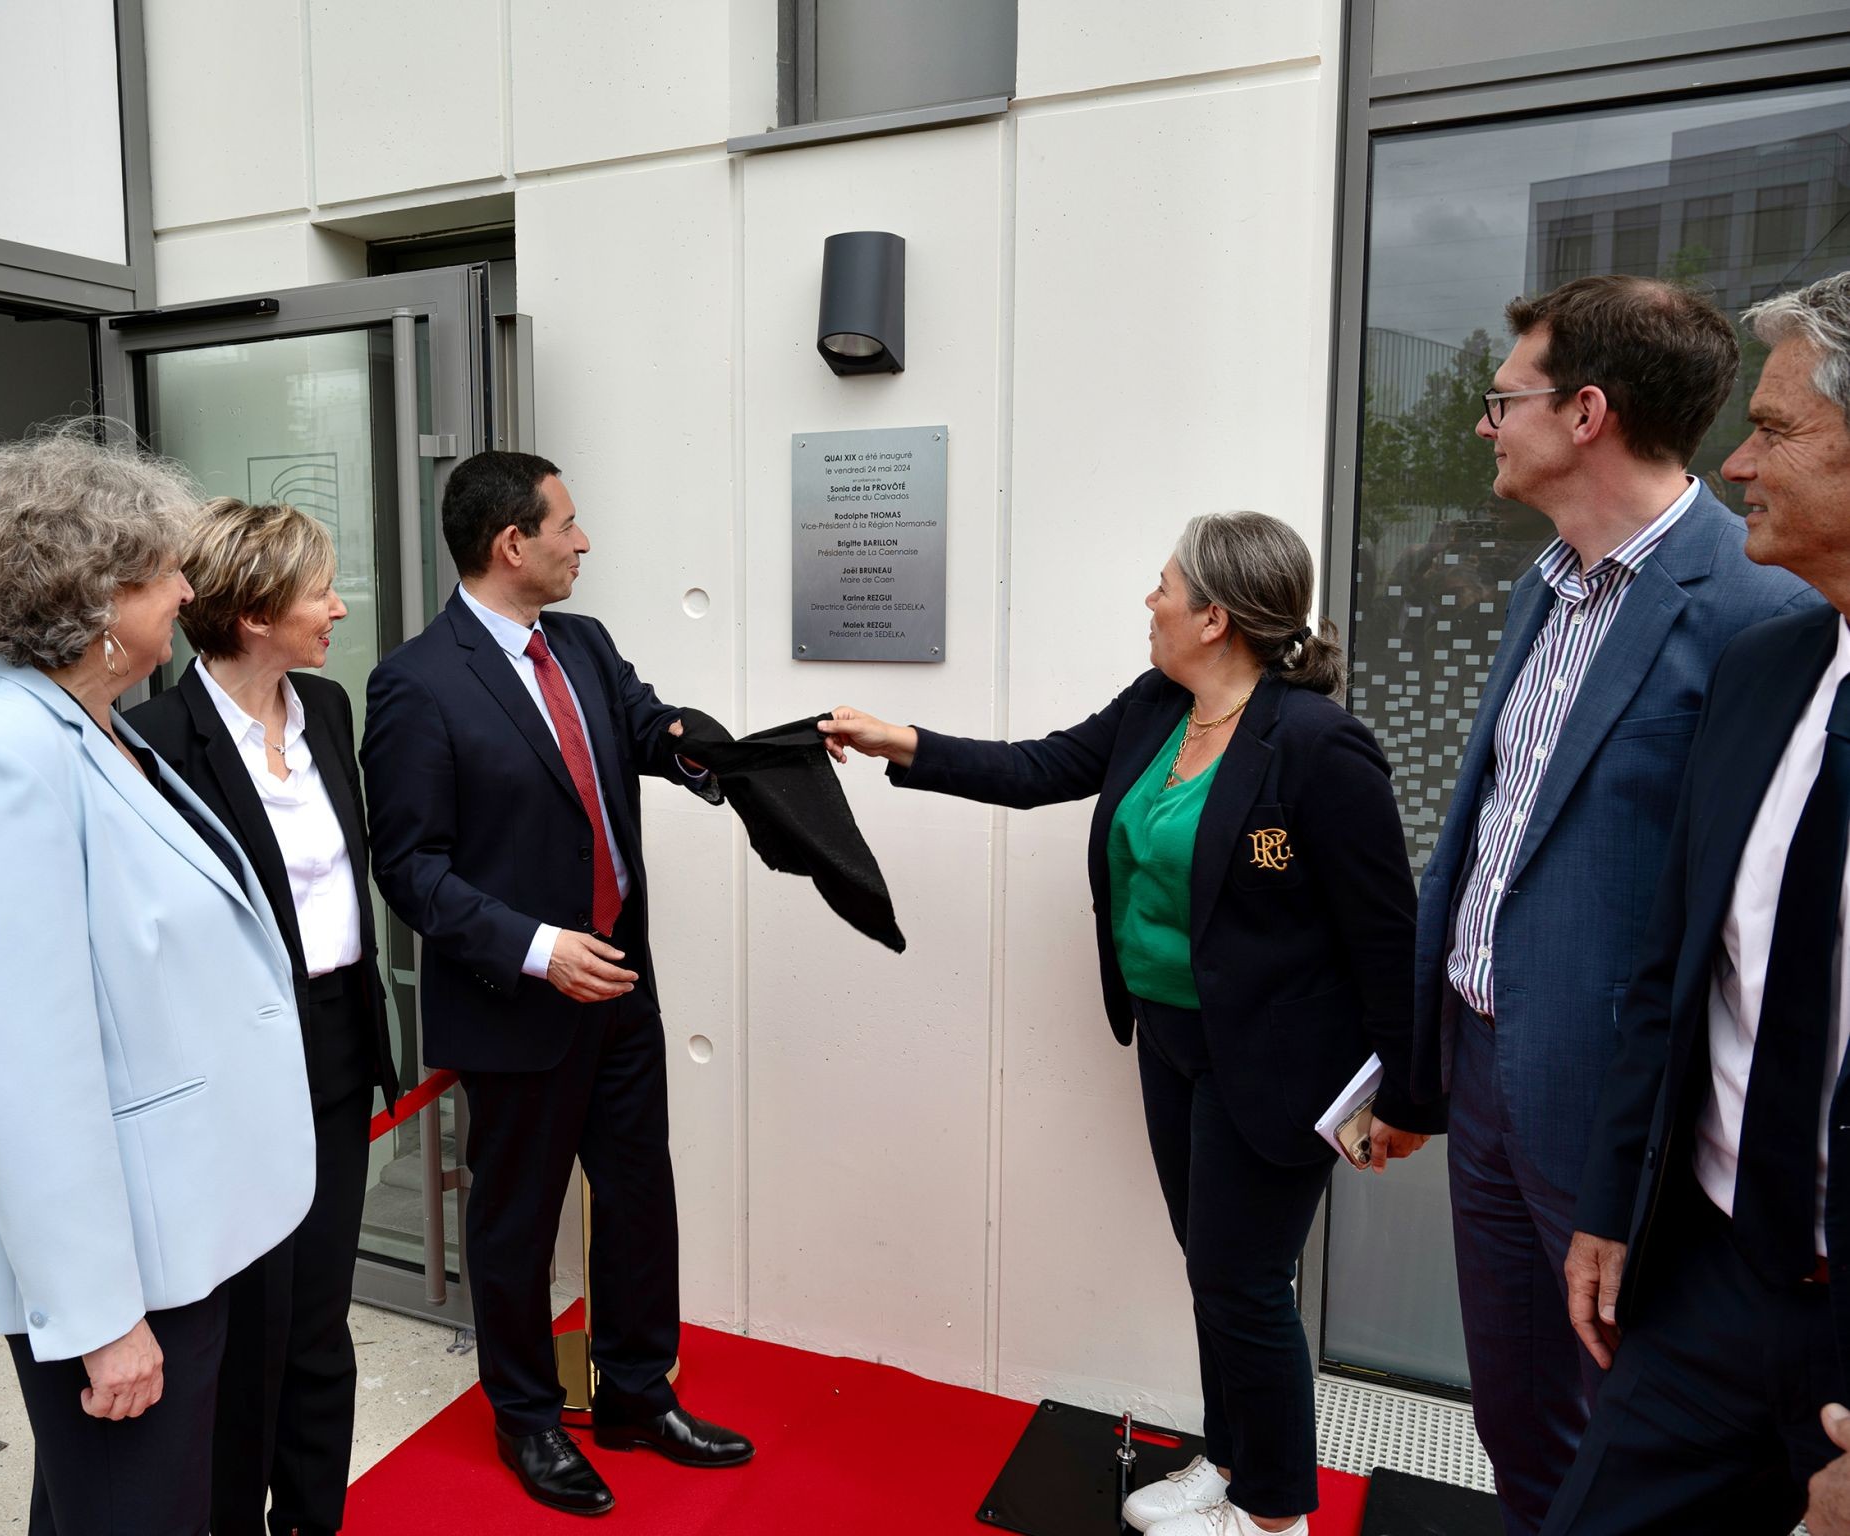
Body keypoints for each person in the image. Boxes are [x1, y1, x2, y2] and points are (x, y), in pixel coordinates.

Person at [821, 511, 1444, 1536]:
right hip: (1172, 1040)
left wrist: (1410, 1098)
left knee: (1244, 1283)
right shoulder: (1160, 706)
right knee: (1214, 1273)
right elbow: (1037, 769)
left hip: (1279, 1061)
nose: (1148, 603)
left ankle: (1275, 1516)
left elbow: (1387, 935)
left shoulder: (1317, 746)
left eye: (1164, 586)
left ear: (1214, 617)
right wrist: (901, 742)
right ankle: (1229, 1462)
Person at [1409, 275, 1820, 1535]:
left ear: (1585, 413)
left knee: (1630, 1444)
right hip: (1484, 1068)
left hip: (1621, 1120)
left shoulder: (1762, 599)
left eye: (1503, 399)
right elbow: (1498, 829)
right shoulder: (1541, 582)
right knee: (1516, 1416)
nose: (1483, 423)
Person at [0, 423, 313, 1535]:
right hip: (124, 1270)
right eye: (164, 573)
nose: (187, 591)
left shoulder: (86, 724)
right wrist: (98, 1317)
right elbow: (18, 1068)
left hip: (177, 1231)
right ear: (94, 599)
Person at [360, 450, 751, 1518]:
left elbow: (648, 727)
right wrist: (537, 948)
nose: (583, 543)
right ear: (510, 543)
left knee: (637, 1201)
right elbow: (410, 868)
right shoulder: (415, 682)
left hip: (622, 982)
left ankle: (636, 1397)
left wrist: (724, 752)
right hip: (518, 1002)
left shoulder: (582, 643)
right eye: (566, 525)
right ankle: (527, 1419)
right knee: (516, 1224)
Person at [1549, 271, 1850, 1536]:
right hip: (1704, 1282)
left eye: (1774, 430)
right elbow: (1676, 970)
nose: (1735, 465)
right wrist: (1612, 1209)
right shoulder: (1764, 670)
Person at [126, 499, 401, 1536]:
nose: (339, 607)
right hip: (230, 1067)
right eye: (318, 592)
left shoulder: (325, 707)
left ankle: (313, 1522)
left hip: (335, 1046)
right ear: (251, 615)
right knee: (247, 1339)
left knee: (319, 1324)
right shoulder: (154, 743)